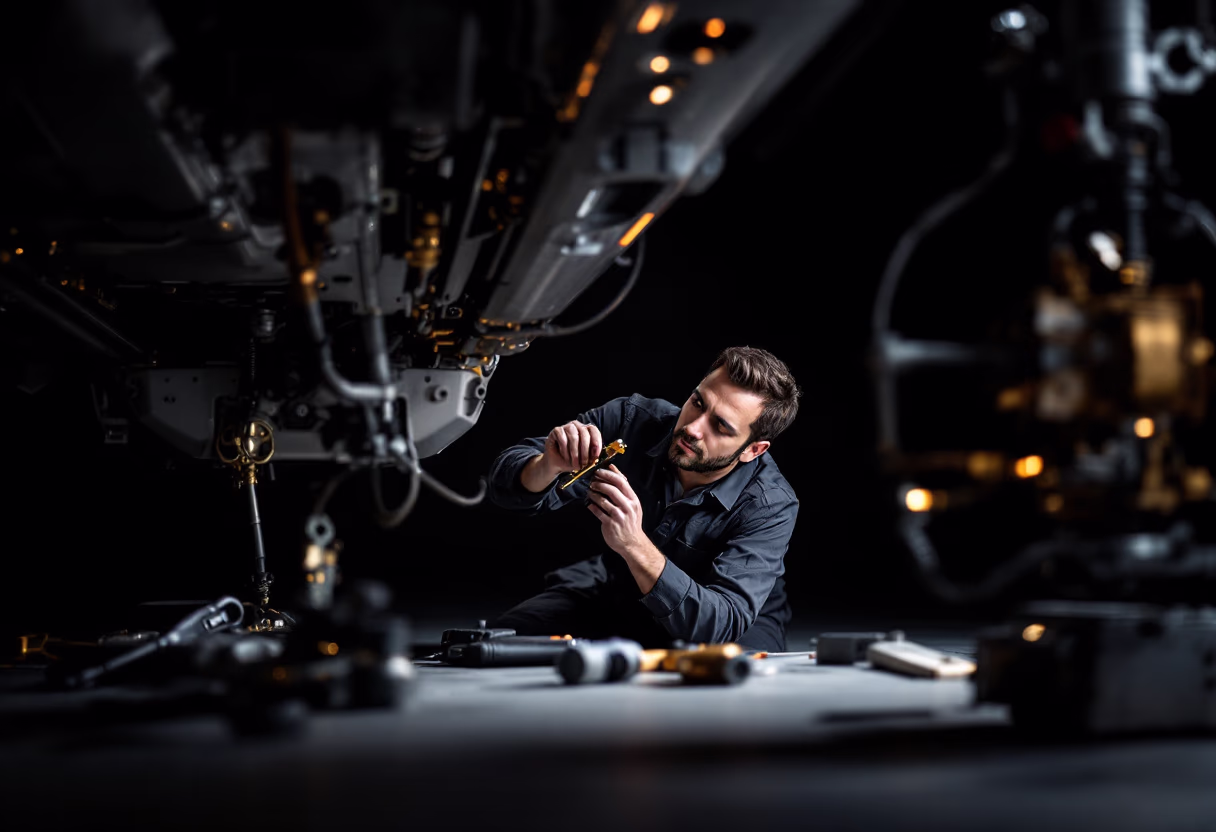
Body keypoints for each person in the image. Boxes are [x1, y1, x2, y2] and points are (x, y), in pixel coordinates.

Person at [486, 346, 802, 651]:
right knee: (494, 645)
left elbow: (717, 624)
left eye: (720, 426)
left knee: (715, 681)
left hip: (727, 627)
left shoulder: (771, 504)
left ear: (753, 449)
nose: (692, 428)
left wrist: (633, 544)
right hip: (621, 593)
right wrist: (549, 464)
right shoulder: (631, 421)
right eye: (697, 402)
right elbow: (504, 486)